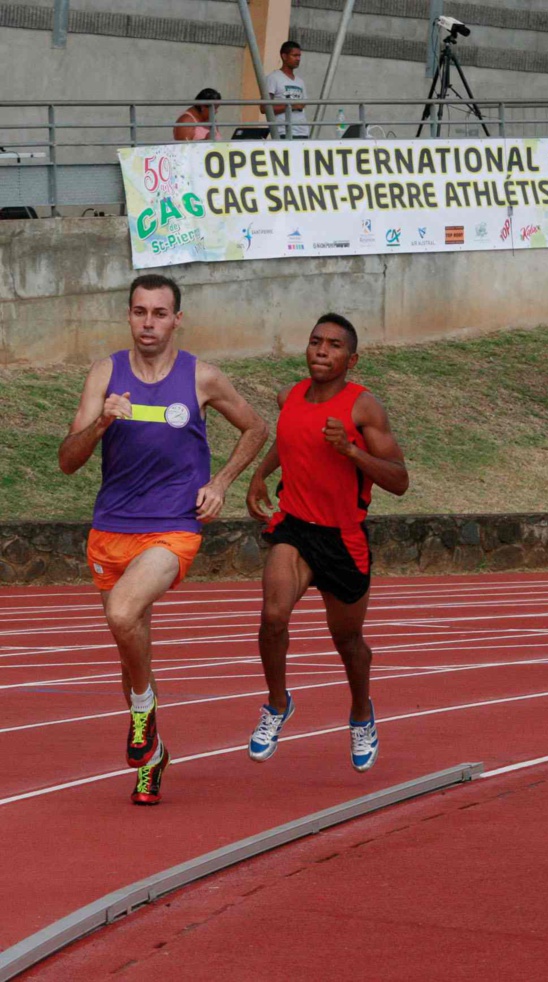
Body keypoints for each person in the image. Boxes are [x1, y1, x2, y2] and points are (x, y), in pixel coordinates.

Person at [58, 274, 268, 805]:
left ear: (177, 319)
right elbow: (67, 460)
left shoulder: (203, 377)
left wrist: (219, 484)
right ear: (128, 316)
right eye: (139, 312)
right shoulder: (106, 373)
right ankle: (151, 756)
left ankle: (143, 711)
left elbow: (256, 426)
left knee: (123, 614)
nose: (148, 323)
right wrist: (101, 423)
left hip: (174, 525)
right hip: (111, 527)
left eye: (159, 313)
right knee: (131, 649)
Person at [246, 313, 409, 772]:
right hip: (294, 526)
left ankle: (361, 713)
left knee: (348, 641)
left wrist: (352, 451)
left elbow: (400, 480)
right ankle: (277, 703)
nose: (322, 350)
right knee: (273, 616)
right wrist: (260, 476)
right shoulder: (290, 396)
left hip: (343, 537)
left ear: (351, 359)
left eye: (334, 345)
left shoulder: (364, 408)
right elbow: (288, 437)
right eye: (316, 341)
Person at [263, 41, 310, 138]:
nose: (298, 59)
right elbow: (264, 108)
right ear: (284, 56)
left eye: (299, 56)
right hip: (283, 132)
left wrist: (296, 105)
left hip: (303, 132)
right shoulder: (273, 78)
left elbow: (302, 104)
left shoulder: (300, 81)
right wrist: (291, 106)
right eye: (294, 55)